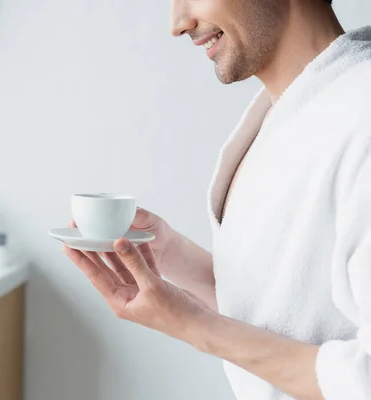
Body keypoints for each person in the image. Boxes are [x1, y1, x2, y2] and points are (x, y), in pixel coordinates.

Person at [63, 0, 371, 399]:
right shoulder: (290, 109)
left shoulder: (359, 116)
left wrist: (193, 327)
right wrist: (172, 255)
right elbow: (291, 305)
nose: (178, 23)